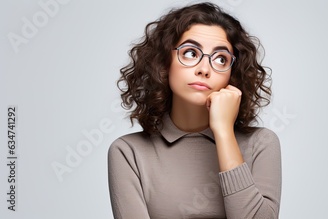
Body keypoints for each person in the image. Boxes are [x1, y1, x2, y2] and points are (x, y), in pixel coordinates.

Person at [107, 2, 281, 219]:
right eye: (190, 53)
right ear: (163, 64)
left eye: (220, 59)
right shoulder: (129, 152)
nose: (204, 69)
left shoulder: (260, 143)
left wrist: (224, 132)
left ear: (232, 75)